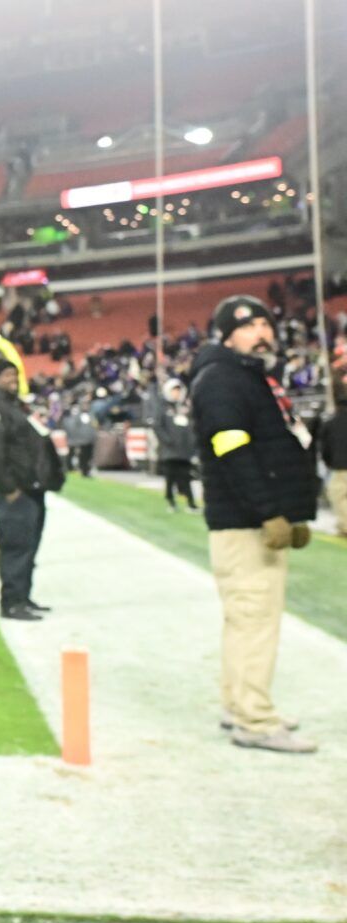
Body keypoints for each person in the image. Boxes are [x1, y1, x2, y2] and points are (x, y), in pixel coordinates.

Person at [190, 294, 318, 753]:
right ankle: (255, 721)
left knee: (245, 620)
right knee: (254, 620)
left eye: (266, 325)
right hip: (245, 523)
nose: (263, 334)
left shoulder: (245, 376)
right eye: (251, 326)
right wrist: (269, 511)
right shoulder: (224, 379)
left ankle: (238, 703)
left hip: (249, 519)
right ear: (228, 333)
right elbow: (233, 452)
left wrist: (293, 509)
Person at [0, 363, 51, 621]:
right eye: (7, 375)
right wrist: (8, 487)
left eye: (15, 375)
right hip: (13, 490)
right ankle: (12, 602)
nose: (14, 380)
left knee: (27, 546)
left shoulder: (13, 405)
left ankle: (23, 597)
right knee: (15, 547)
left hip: (29, 487)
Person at [151, 377, 197, 511]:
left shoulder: (185, 408)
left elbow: (191, 427)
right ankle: (170, 501)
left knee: (186, 477)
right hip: (169, 450)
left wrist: (191, 444)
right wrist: (167, 441)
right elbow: (157, 426)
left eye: (178, 390)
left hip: (184, 450)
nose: (176, 393)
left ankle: (190, 502)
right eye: (174, 390)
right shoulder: (163, 407)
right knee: (170, 477)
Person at [322, 383, 347, 535]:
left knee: (339, 496)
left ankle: (344, 525)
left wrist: (329, 463)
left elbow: (326, 447)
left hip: (340, 466)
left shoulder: (331, 423)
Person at [63, 404, 97, 478]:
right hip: (80, 440)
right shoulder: (77, 417)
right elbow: (74, 428)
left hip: (90, 440)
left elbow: (95, 426)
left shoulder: (91, 416)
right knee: (82, 456)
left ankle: (86, 470)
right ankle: (83, 470)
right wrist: (75, 439)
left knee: (88, 456)